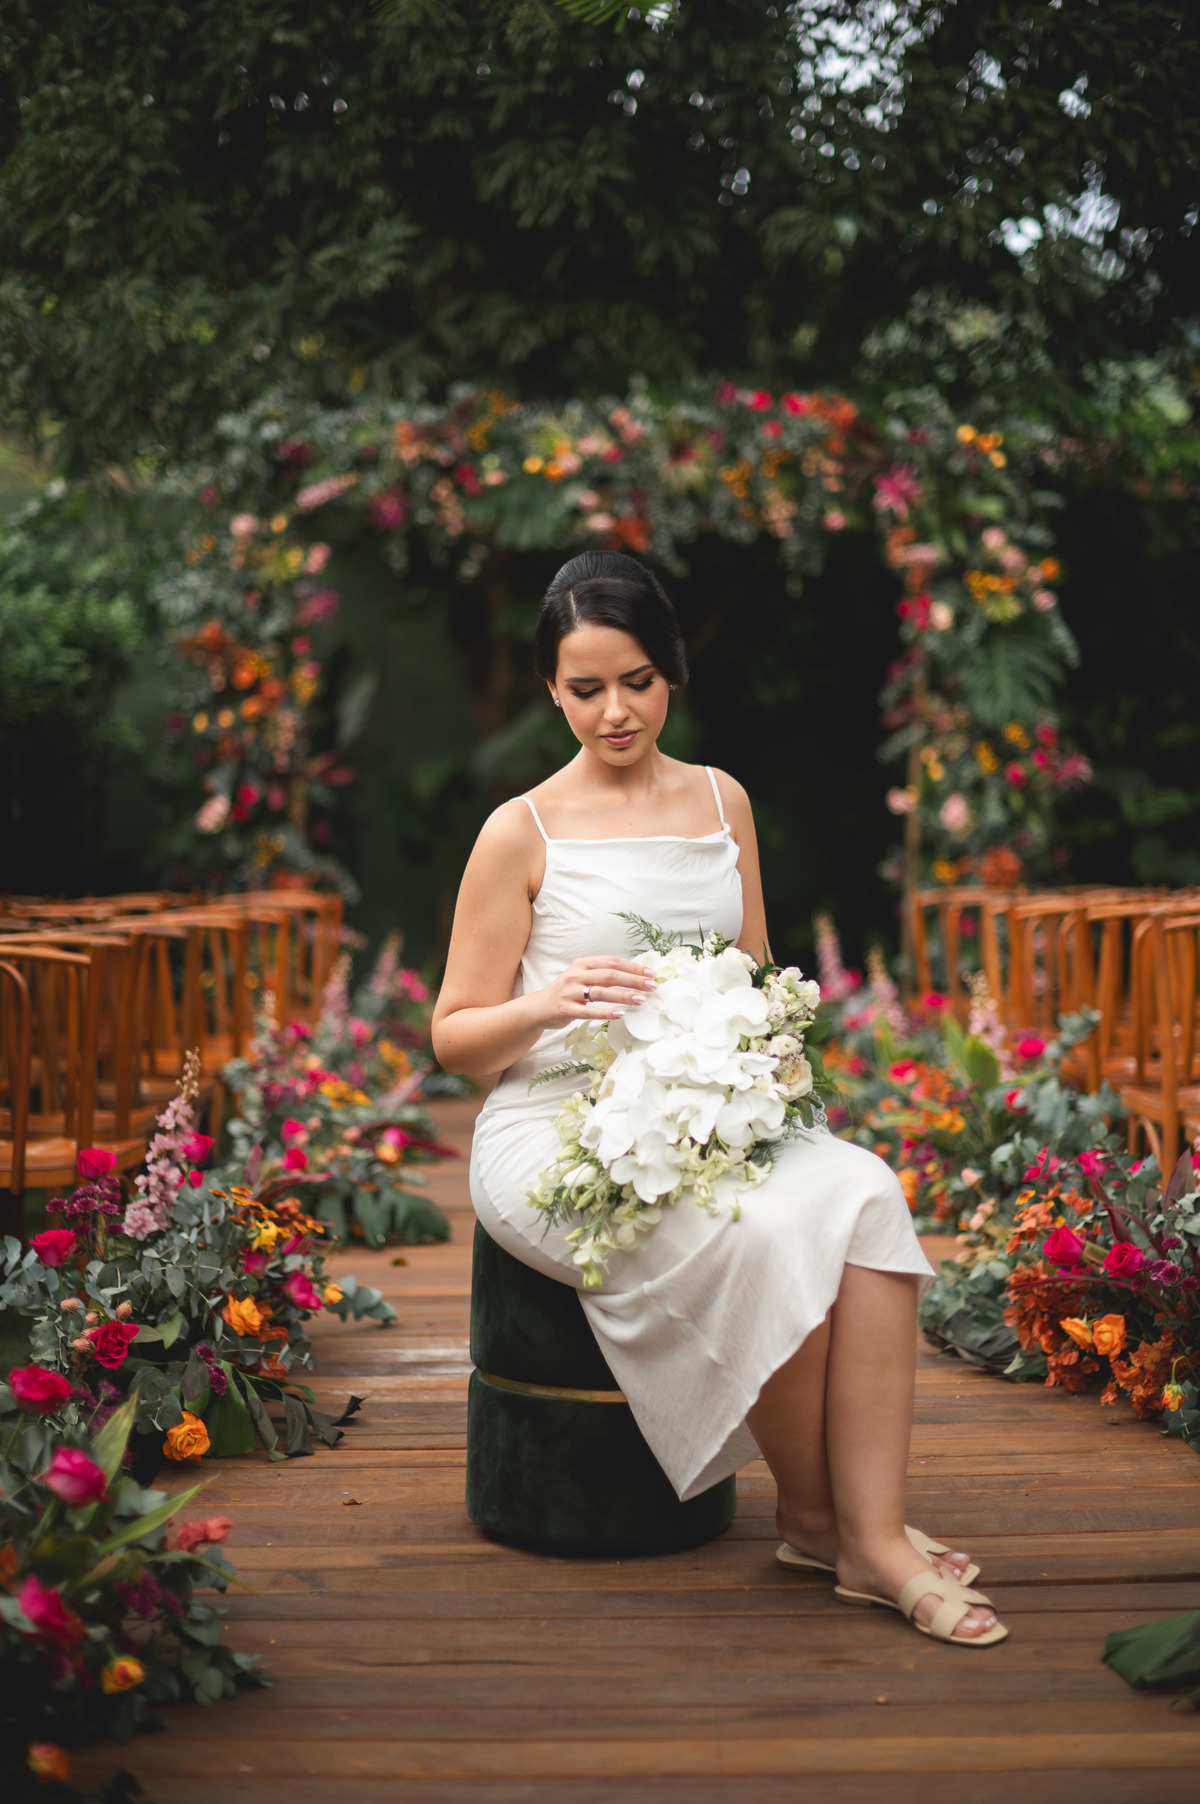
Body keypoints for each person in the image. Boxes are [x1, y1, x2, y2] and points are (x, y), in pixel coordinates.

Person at [432, 550, 1006, 1647]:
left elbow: (758, 973)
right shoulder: (522, 829)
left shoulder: (720, 799)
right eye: (585, 687)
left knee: (866, 1196)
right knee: (763, 1232)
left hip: (719, 1102)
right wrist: (549, 1002)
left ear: (673, 675)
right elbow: (455, 1037)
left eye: (637, 680)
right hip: (560, 1130)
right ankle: (829, 1522)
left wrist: (761, 1075)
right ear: (552, 689)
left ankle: (861, 1532)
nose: (613, 710)